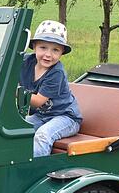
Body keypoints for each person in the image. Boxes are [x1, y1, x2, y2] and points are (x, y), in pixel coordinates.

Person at [19, 20, 82, 157]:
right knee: (16, 129)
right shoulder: (27, 61)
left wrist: (12, 91)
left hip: (66, 118)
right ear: (34, 47)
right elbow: (2, 66)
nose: (48, 54)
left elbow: (38, 101)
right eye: (43, 47)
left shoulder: (56, 72)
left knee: (43, 135)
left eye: (55, 50)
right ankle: (13, 164)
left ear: (61, 53)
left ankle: (34, 171)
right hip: (42, 116)